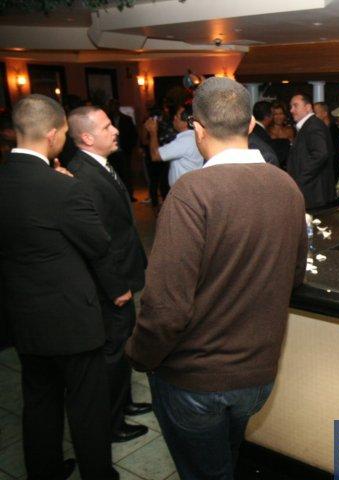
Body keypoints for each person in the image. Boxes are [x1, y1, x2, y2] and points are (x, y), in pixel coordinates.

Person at [125, 77, 308, 478]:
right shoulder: (287, 187)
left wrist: (139, 355)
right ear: (249, 125)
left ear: (198, 128)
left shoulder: (192, 192)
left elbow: (166, 307)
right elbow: (294, 277)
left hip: (196, 380)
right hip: (257, 377)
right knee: (225, 463)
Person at [0, 94, 118, 479]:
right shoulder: (63, 188)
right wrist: (72, 188)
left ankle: (44, 471)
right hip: (72, 319)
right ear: (52, 134)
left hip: (23, 316)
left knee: (38, 399)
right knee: (87, 406)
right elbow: (98, 243)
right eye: (65, 133)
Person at [66, 105, 151, 443]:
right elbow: (97, 241)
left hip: (124, 272)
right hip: (110, 284)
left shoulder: (99, 164)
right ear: (87, 137)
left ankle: (125, 403)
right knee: (113, 352)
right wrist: (116, 286)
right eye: (106, 127)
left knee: (124, 342)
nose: (115, 130)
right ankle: (113, 422)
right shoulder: (82, 176)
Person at [287, 93, 336, 210]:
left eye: (295, 106)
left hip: (314, 193)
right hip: (313, 192)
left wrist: (299, 179)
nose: (291, 110)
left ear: (308, 107)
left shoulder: (313, 125)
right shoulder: (310, 125)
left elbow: (320, 154)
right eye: (291, 107)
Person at [145, 104, 204, 187]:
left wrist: (153, 132)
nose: (174, 118)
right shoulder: (193, 136)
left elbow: (155, 155)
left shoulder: (185, 140)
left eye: (177, 117)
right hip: (190, 186)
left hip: (185, 190)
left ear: (186, 123)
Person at [106, 99, 138, 201]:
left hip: (124, 150)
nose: (113, 108)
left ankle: (129, 195)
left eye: (115, 106)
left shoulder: (126, 119)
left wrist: (130, 147)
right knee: (113, 173)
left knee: (126, 173)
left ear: (118, 106)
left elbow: (133, 135)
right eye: (111, 106)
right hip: (111, 152)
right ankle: (118, 196)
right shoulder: (107, 120)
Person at [314, 101, 339, 181]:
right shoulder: (317, 131)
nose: (313, 116)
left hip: (333, 174)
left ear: (325, 113)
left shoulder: (335, 131)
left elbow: (336, 154)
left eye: (315, 113)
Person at [250, 101, 280, 167]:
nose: (274, 117)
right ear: (267, 117)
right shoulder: (261, 134)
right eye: (273, 114)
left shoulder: (253, 129)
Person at [268, 101, 294, 169]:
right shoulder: (267, 130)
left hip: (287, 166)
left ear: (285, 115)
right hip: (271, 165)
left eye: (281, 113)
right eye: (275, 114)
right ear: (271, 115)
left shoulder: (290, 131)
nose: (278, 117)